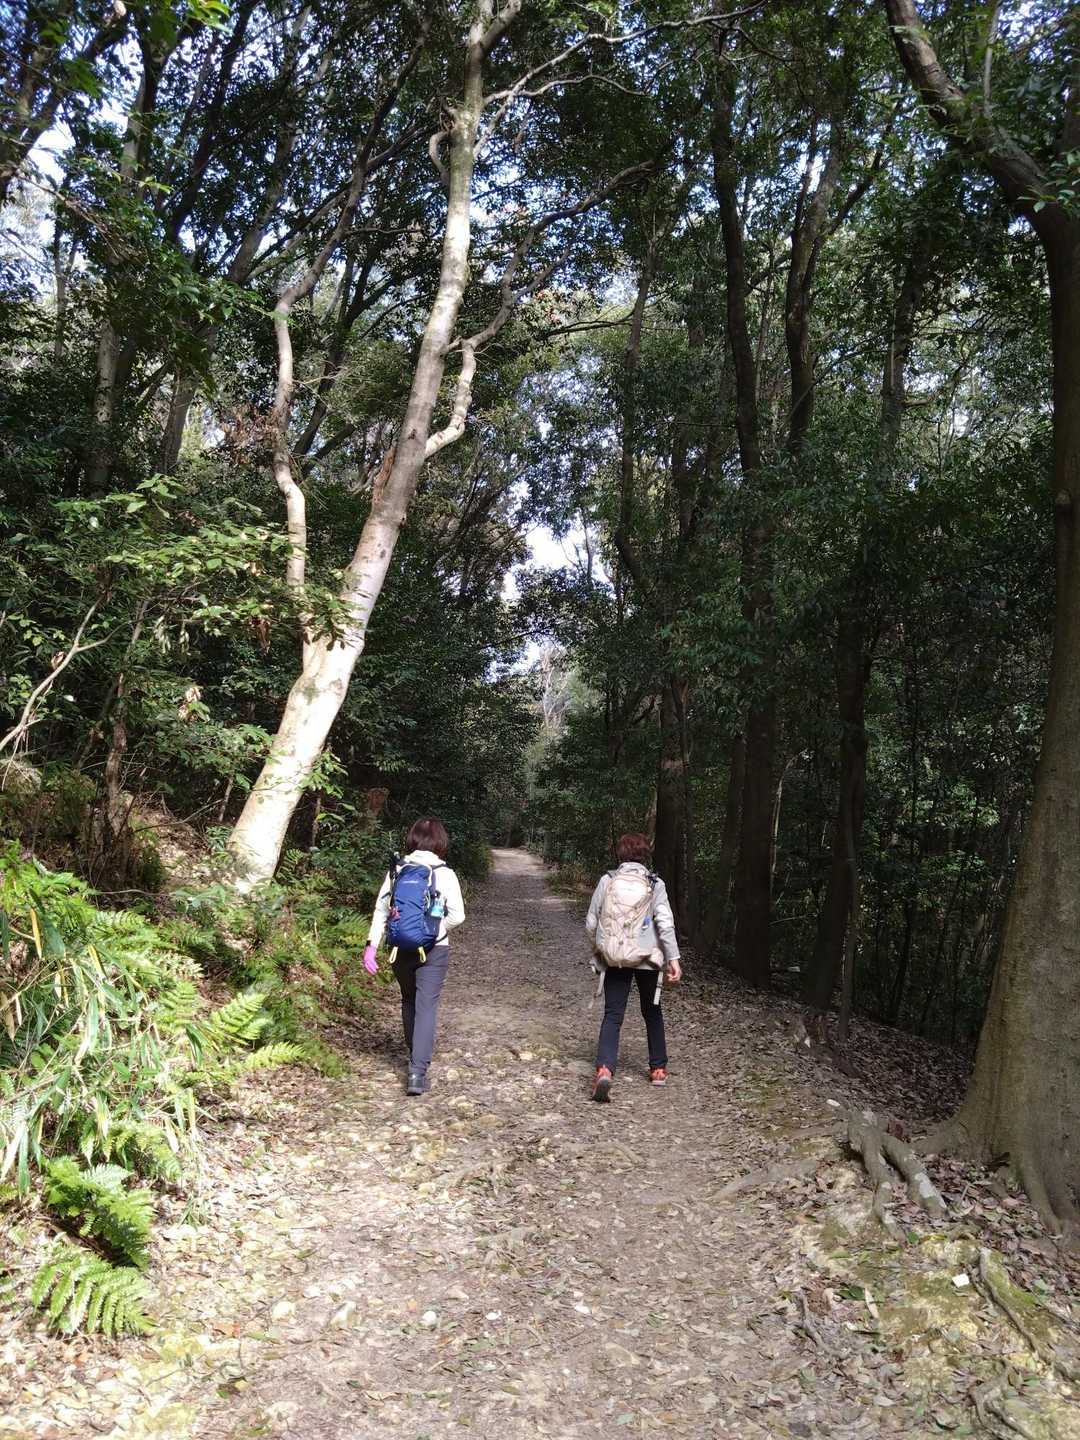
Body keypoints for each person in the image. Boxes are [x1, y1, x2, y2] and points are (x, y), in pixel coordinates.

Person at [362, 817, 465, 1096]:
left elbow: (381, 910)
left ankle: (413, 1053)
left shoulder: (398, 869)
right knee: (427, 1006)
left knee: (408, 1000)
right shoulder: (445, 873)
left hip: (400, 948)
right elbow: (458, 915)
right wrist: (434, 930)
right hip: (434, 950)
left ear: (412, 839)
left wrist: (372, 946)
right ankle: (417, 1073)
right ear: (440, 841)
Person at [585, 832, 682, 1103]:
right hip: (648, 958)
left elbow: (591, 922)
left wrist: (600, 948)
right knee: (652, 1012)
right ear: (645, 855)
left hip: (616, 957)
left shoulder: (608, 880)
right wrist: (673, 958)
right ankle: (658, 1069)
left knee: (613, 1014)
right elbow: (665, 923)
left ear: (620, 854)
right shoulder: (655, 884)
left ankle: (605, 1069)